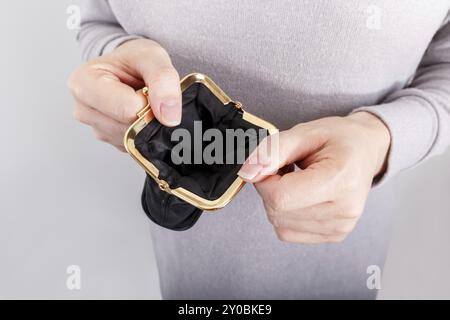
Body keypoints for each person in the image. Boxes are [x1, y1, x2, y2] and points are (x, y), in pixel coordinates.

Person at [68, 0, 450, 299]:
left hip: (343, 264)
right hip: (186, 264)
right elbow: (98, 21)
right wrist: (120, 68)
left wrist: (379, 137)